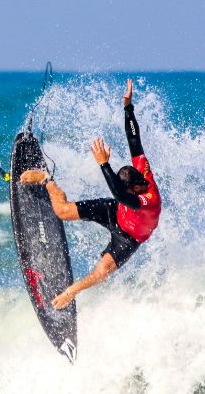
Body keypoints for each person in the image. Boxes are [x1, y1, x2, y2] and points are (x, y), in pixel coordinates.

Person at [20, 79, 162, 309]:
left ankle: (70, 292)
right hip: (115, 212)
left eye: (124, 188)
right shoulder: (140, 168)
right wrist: (128, 107)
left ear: (136, 188)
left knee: (102, 272)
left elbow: (121, 195)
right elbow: (134, 139)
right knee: (61, 211)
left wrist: (104, 165)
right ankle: (46, 178)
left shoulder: (148, 200)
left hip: (129, 237)